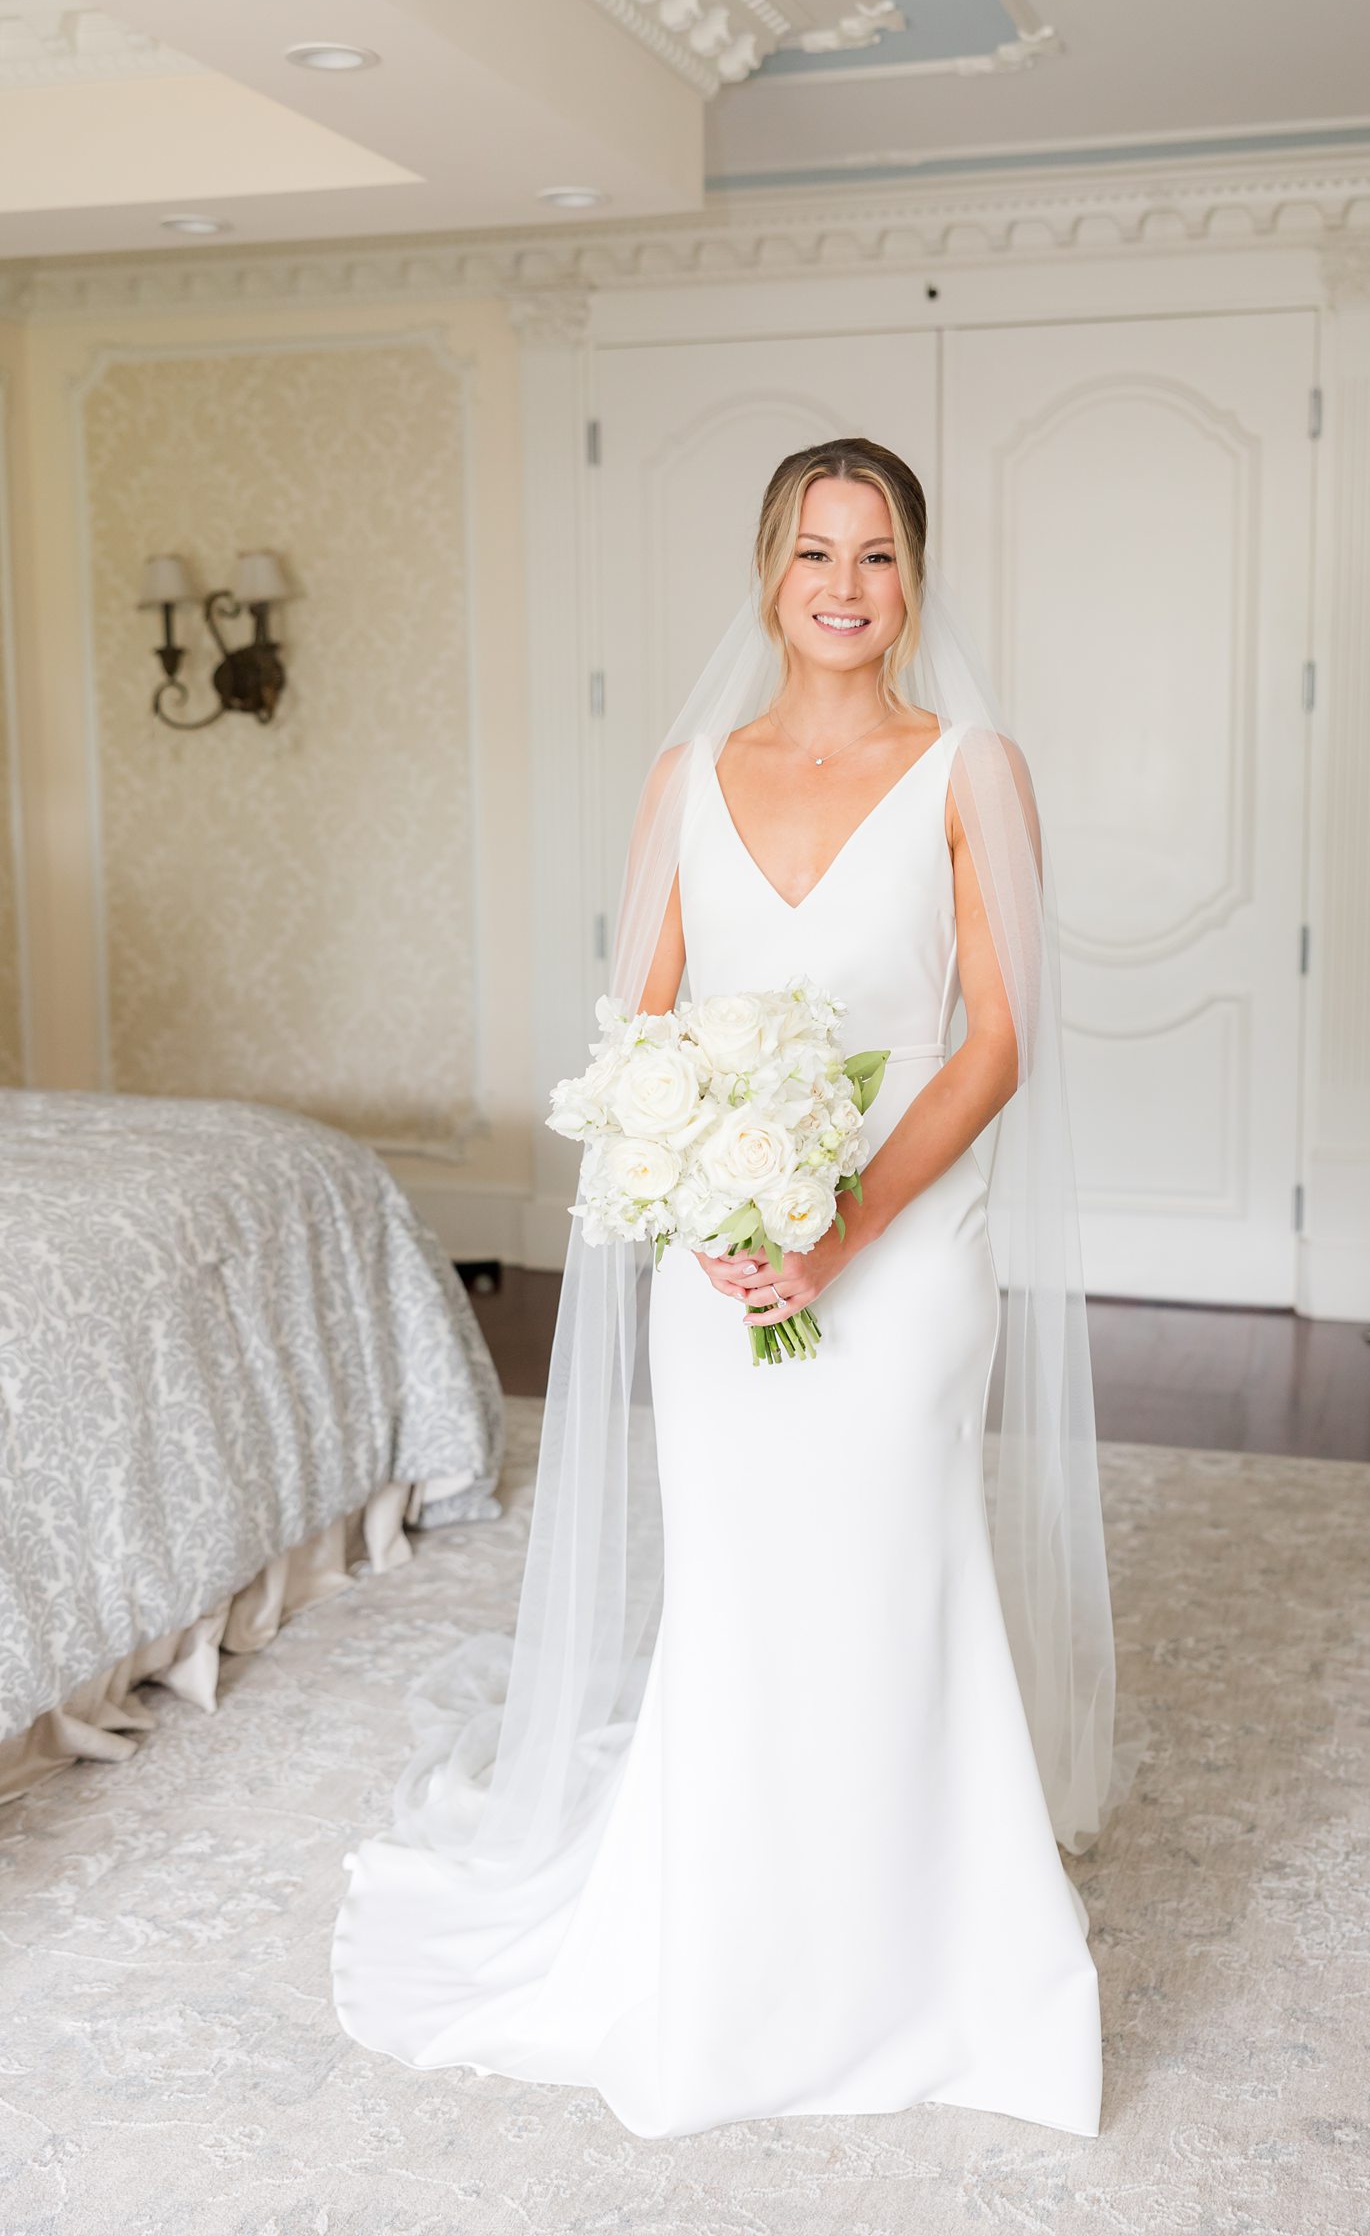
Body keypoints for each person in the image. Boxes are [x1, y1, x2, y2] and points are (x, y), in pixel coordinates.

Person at [332, 436, 1133, 2140]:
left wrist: (841, 1227)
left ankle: (932, 1957)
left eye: (880, 556)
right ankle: (731, 1936)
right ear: (767, 573)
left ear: (918, 579)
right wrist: (690, 1182)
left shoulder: (970, 770)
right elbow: (640, 1031)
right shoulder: (690, 772)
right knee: (745, 1585)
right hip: (719, 1265)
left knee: (896, 1566)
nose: (846, 588)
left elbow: (996, 1043)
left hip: (906, 1255)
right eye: (813, 553)